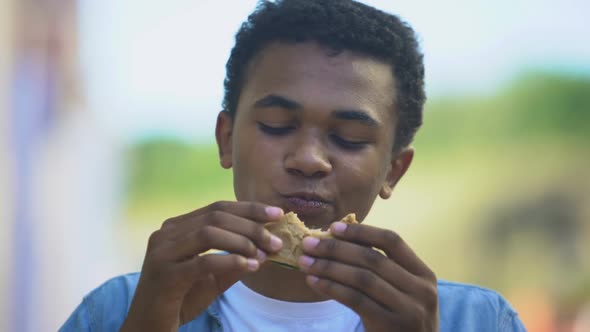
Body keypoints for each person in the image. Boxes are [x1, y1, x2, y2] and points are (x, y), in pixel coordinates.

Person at [60, 0, 527, 331]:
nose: (308, 159)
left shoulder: (478, 320)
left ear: (393, 171)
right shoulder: (119, 311)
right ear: (227, 140)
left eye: (350, 138)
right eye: (277, 125)